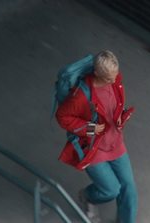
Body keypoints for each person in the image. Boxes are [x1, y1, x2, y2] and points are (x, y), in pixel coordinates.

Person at [56, 51, 137, 223]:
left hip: (115, 142)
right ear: (97, 73)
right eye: (109, 78)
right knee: (111, 190)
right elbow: (63, 117)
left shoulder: (114, 81)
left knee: (128, 188)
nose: (114, 81)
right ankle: (88, 197)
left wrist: (121, 116)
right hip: (93, 146)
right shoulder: (81, 95)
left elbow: (112, 106)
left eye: (115, 76)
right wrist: (89, 128)